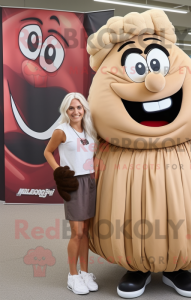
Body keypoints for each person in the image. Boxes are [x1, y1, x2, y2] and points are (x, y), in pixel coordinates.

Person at [44, 92, 99, 295]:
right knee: (76, 232)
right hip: (73, 183)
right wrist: (58, 171)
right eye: (71, 108)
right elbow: (47, 151)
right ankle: (72, 276)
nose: (75, 111)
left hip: (90, 182)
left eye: (79, 107)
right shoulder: (61, 130)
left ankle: (85, 272)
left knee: (85, 232)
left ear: (84, 109)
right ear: (65, 111)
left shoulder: (90, 130)